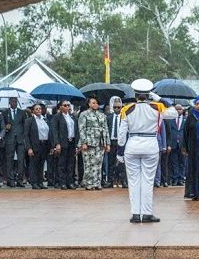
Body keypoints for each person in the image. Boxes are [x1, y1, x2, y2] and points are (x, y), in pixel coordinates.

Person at [117, 79, 178, 222]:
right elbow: (174, 112)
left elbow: (121, 134)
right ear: (149, 94)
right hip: (150, 144)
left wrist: (120, 152)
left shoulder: (127, 109)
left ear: (135, 94)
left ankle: (136, 214)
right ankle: (147, 212)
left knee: (133, 181)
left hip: (132, 144)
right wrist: (160, 98)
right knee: (148, 180)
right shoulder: (157, 107)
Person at [78, 96, 110, 190]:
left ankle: (97, 183)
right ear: (89, 104)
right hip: (89, 142)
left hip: (100, 142)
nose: (95, 104)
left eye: (96, 103)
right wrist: (84, 142)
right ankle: (88, 183)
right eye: (93, 103)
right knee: (88, 163)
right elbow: (82, 129)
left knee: (98, 164)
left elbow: (106, 129)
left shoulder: (102, 115)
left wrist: (107, 143)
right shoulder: (84, 114)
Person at [50, 100, 79, 189]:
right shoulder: (57, 117)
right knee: (62, 163)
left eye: (68, 105)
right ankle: (62, 182)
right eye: (65, 105)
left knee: (71, 163)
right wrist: (57, 143)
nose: (67, 107)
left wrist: (77, 144)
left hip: (72, 142)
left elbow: (76, 130)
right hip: (63, 142)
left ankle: (70, 181)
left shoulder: (72, 116)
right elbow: (54, 131)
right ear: (60, 107)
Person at [2, 97, 28, 187]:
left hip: (20, 139)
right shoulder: (5, 113)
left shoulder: (22, 112)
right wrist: (6, 127)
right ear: (9, 102)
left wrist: (24, 137)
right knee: (9, 160)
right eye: (12, 101)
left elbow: (25, 126)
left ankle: (20, 180)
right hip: (10, 139)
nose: (14, 103)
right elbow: (2, 126)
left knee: (21, 160)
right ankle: (10, 180)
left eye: (15, 101)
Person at [25, 103, 51, 189]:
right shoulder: (29, 120)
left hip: (44, 144)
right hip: (35, 144)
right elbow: (26, 135)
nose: (39, 110)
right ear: (33, 111)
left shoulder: (45, 119)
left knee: (41, 164)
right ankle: (34, 182)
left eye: (40, 109)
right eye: (36, 109)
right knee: (34, 164)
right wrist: (29, 148)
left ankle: (40, 182)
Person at [165, 104, 186, 186]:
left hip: (183, 144)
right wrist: (168, 144)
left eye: (180, 109)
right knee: (174, 162)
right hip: (173, 144)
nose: (178, 111)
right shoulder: (170, 120)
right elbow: (168, 133)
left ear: (182, 110)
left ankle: (181, 179)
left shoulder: (185, 120)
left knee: (182, 162)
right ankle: (175, 178)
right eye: (176, 109)